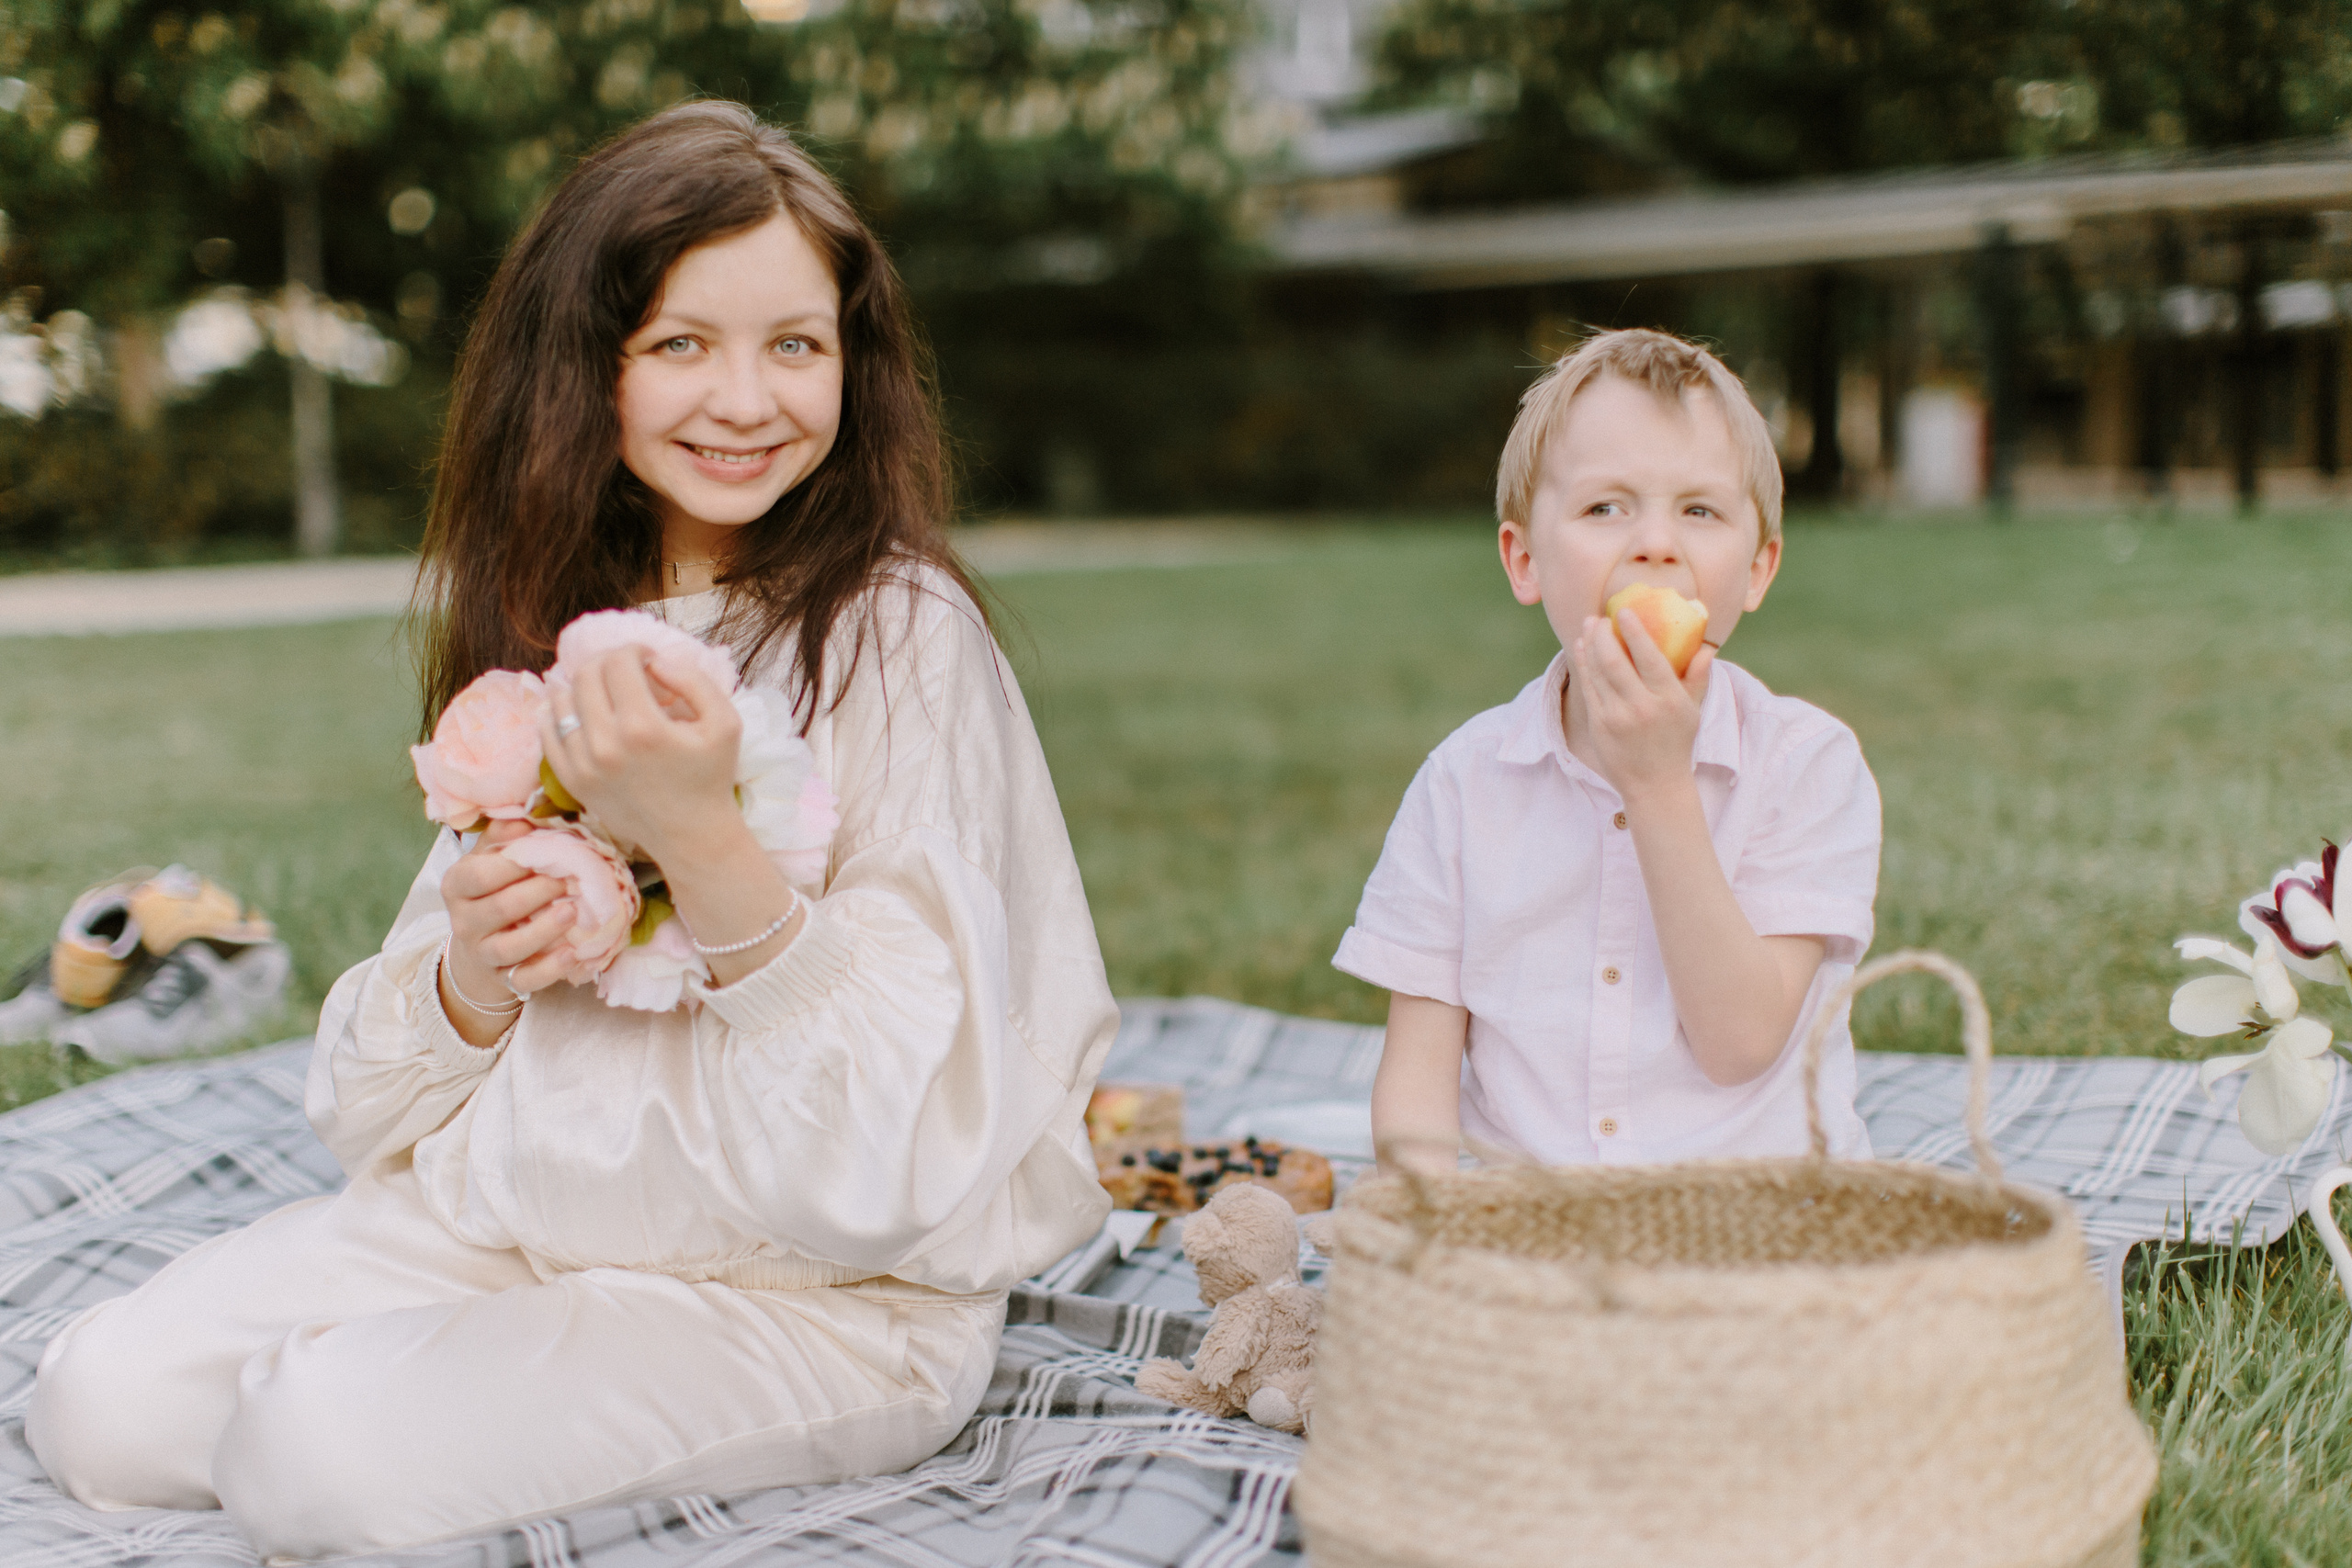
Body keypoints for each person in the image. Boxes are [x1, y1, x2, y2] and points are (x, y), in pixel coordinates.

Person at [26, 101, 1118, 1559]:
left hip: (809, 1293)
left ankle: (460, 1394)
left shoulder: (896, 634)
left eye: (797, 343)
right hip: (531, 1223)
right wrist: (474, 971)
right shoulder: (570, 630)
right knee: (101, 1401)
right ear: (581, 367)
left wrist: (701, 838)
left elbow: (894, 1154)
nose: (748, 396)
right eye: (681, 343)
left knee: (316, 1452)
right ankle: (481, 1366)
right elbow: (366, 1110)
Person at [1335, 328, 1881, 1172]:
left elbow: (1741, 1042)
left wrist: (1658, 783)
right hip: (1533, 1237)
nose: (1655, 544)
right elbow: (1418, 1078)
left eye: (1699, 510)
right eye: (1605, 507)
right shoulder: (1463, 783)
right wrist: (1432, 1239)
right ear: (1526, 561)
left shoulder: (1808, 765)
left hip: (1762, 1232)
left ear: (1758, 569)